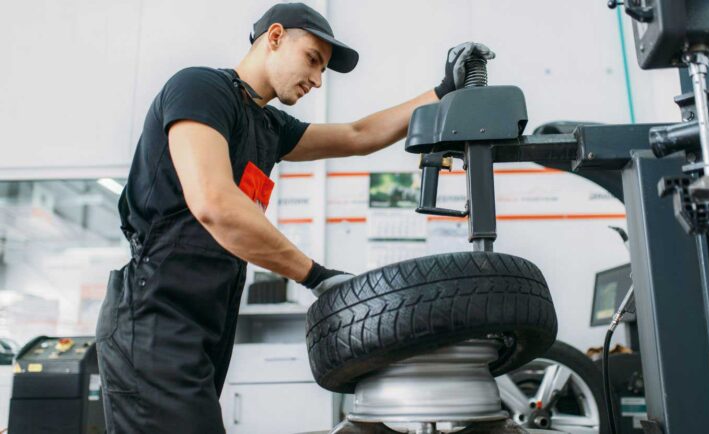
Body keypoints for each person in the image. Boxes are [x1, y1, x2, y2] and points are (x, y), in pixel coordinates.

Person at [94, 2, 495, 433]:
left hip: (205, 319)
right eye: (312, 60)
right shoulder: (199, 89)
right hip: (154, 315)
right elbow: (214, 204)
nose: (318, 80)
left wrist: (441, 91)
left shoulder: (267, 125)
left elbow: (357, 136)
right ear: (275, 36)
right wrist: (317, 275)